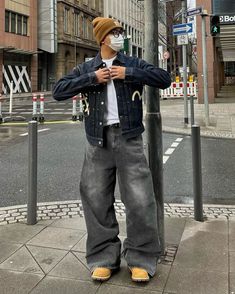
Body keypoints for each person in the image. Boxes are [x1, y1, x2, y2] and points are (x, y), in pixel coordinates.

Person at [53, 17, 171, 283]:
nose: (120, 36)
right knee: (95, 199)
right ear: (103, 38)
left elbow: (163, 79)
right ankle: (104, 257)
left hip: (129, 138)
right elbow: (58, 91)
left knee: (140, 199)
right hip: (97, 141)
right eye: (115, 33)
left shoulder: (131, 63)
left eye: (120, 32)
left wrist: (128, 74)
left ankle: (141, 258)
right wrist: (91, 78)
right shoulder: (87, 67)